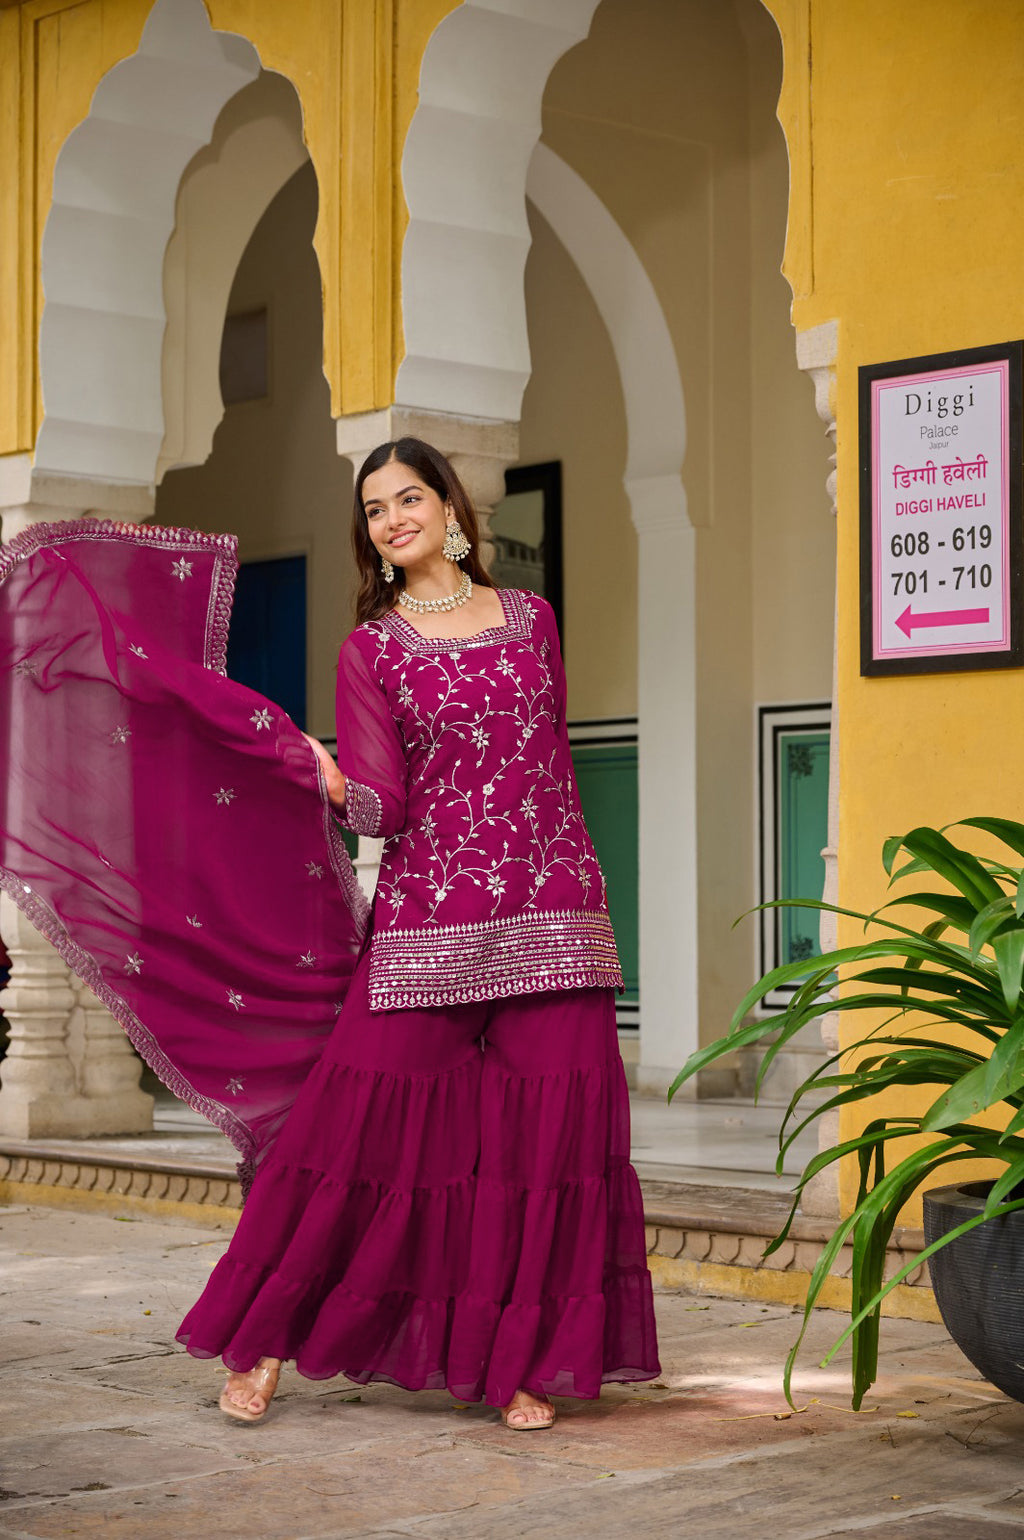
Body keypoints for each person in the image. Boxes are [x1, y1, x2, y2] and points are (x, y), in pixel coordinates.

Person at [177, 438, 660, 1429]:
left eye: (409, 497)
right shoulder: (374, 650)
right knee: (351, 1130)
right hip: (428, 922)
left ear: (450, 507)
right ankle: (263, 1335)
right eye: (373, 507)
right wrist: (325, 776)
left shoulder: (533, 621)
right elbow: (385, 812)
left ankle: (522, 1362)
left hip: (554, 914)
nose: (392, 516)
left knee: (547, 1144)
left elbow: (547, 766)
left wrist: (566, 882)